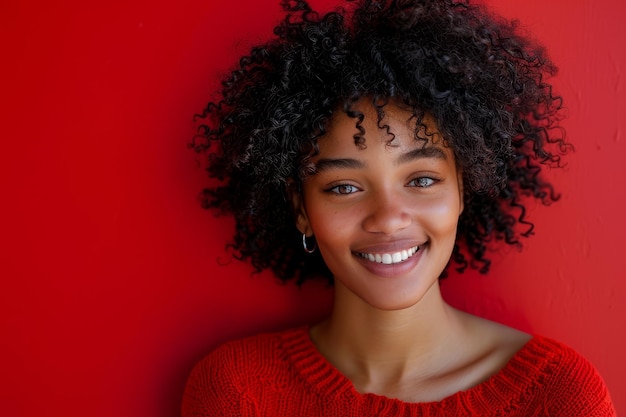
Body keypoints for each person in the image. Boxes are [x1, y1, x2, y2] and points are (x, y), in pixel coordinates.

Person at [182, 0, 616, 415]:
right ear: (301, 208)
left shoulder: (558, 396)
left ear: (463, 189)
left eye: (422, 180)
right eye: (345, 187)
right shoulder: (238, 391)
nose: (388, 218)